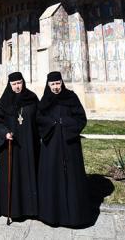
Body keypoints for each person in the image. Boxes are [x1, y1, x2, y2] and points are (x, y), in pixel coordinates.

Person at [37, 71, 91, 227]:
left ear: (62, 83)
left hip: (69, 145)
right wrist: (52, 124)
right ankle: (52, 216)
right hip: (51, 146)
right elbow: (39, 120)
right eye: (52, 84)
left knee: (72, 178)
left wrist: (65, 123)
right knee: (53, 178)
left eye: (58, 83)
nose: (55, 87)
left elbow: (81, 118)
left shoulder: (71, 97)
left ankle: (73, 216)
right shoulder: (45, 100)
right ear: (48, 85)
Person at [0, 72, 39, 221]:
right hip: (10, 146)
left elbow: (39, 119)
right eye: (14, 84)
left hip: (28, 145)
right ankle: (13, 210)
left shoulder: (32, 99)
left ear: (23, 82)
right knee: (13, 177)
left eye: (19, 83)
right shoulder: (4, 101)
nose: (17, 86)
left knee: (27, 174)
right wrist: (5, 133)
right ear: (9, 85)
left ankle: (30, 209)